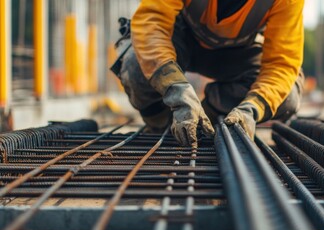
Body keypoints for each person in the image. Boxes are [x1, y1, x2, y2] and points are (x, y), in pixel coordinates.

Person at [118, 0, 304, 148]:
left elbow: (281, 64)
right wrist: (174, 87)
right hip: (180, 40)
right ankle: (162, 126)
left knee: (287, 97)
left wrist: (252, 108)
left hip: (239, 54)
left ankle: (207, 118)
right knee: (135, 66)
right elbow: (152, 24)